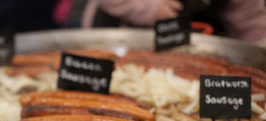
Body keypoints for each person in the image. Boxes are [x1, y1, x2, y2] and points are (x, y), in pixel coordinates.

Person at [81, 0, 266, 44]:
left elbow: (249, 16)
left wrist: (259, 46)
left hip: (188, 38)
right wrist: (150, 7)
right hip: (119, 30)